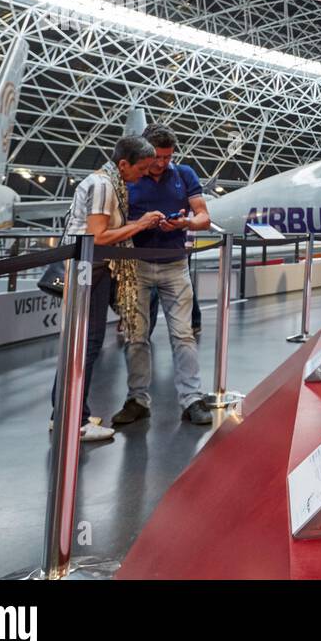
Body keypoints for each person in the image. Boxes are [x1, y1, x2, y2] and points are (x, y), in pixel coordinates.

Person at [51, 136, 164, 442]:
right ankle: (76, 420)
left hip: (91, 269)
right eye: (140, 168)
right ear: (123, 163)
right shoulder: (103, 185)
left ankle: (65, 413)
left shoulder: (108, 182)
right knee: (86, 343)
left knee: (81, 343)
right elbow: (97, 237)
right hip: (89, 269)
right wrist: (140, 225)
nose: (143, 175)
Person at [113, 124, 214, 427]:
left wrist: (185, 223)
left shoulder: (184, 175)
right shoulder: (130, 176)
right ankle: (137, 399)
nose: (161, 163)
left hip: (174, 265)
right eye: (156, 157)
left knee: (183, 333)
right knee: (136, 336)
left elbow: (204, 217)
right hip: (137, 267)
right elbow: (113, 220)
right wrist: (141, 223)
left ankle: (191, 398)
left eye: (167, 157)